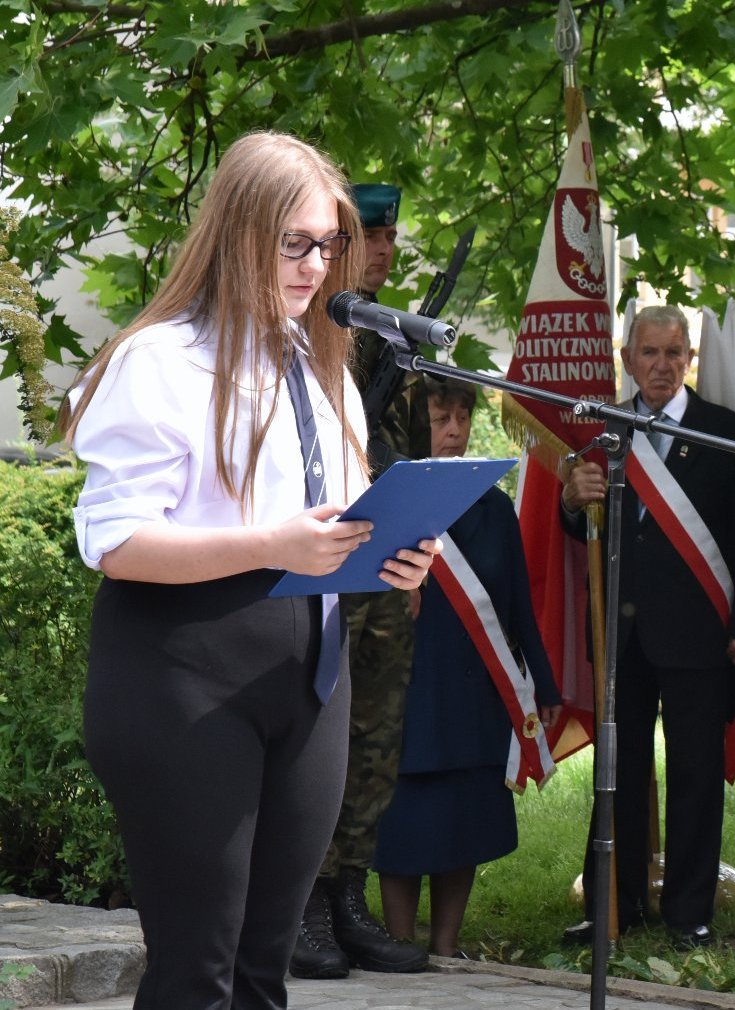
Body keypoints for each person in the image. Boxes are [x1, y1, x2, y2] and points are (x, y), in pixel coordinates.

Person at [62, 131, 439, 1010]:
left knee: (268, 972)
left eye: (329, 244)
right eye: (295, 243)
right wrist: (272, 546)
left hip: (309, 676)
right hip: (183, 679)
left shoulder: (323, 366)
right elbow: (117, 544)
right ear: (238, 234)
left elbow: (335, 526)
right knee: (199, 971)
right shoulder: (161, 360)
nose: (318, 266)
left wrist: (396, 556)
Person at [558, 306, 735, 950]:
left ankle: (689, 912)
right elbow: (580, 531)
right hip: (621, 636)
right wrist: (573, 499)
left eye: (674, 353)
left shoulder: (723, 432)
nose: (661, 365)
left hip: (701, 633)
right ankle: (613, 907)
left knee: (696, 775)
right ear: (628, 359)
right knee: (616, 773)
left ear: (689, 360)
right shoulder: (605, 432)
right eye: (649, 353)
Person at [291, 182, 433, 979]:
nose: (380, 250)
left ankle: (348, 896)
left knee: (374, 738)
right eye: (365, 237)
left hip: (382, 571)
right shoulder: (306, 330)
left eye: (386, 237)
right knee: (319, 729)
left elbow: (411, 457)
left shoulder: (396, 342)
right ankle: (302, 905)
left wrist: (414, 553)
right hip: (317, 562)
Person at [372, 377, 564, 956]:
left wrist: (543, 681)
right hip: (409, 685)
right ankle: (401, 942)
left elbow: (516, 605)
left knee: (466, 817)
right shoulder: (389, 500)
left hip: (478, 688)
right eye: (439, 417)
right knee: (403, 819)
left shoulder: (495, 506)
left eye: (461, 416)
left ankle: (447, 947)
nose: (453, 430)